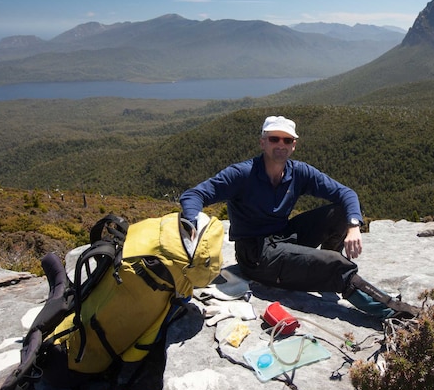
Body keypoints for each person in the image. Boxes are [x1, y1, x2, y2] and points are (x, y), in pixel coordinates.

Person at [179, 115, 420, 319]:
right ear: (263, 143)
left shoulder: (299, 172)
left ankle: (323, 265)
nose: (280, 144)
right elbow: (194, 195)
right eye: (274, 139)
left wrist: (354, 226)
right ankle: (397, 313)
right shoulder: (242, 174)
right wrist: (194, 226)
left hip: (284, 237)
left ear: (294, 145)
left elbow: (345, 193)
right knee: (335, 266)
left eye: (287, 140)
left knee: (340, 212)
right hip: (256, 256)